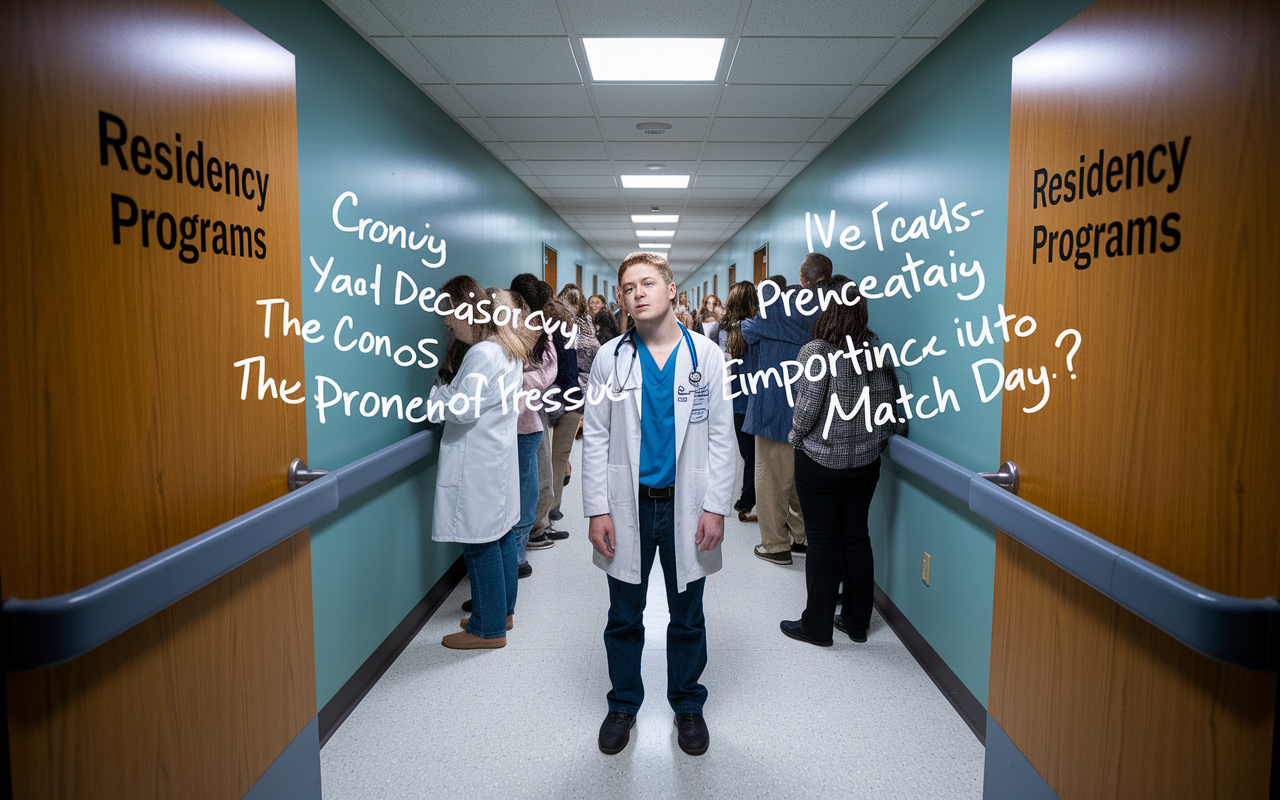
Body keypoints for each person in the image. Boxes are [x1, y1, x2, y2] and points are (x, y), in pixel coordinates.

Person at [583, 251, 735, 758]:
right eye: (628, 287)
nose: (637, 294)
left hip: (686, 505)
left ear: (673, 291)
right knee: (623, 614)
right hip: (628, 506)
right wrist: (596, 509)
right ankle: (623, 703)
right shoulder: (611, 357)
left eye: (647, 283)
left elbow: (720, 436)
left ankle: (687, 705)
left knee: (687, 613)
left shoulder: (706, 357)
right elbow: (598, 435)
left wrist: (715, 506)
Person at [781, 276, 907, 646]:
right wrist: (876, 442)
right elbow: (888, 409)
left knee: (821, 543)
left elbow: (805, 413)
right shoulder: (875, 349)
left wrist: (796, 439)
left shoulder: (816, 352)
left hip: (820, 462)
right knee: (856, 538)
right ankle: (855, 622)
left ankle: (817, 626)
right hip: (865, 465)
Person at [429, 280, 530, 649]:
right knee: (499, 534)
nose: (448, 326)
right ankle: (502, 612)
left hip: (477, 464)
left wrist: (437, 392)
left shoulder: (482, 354)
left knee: (479, 541)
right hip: (494, 458)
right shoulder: (505, 348)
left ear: (461, 309)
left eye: (448, 318)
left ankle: (487, 630)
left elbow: (461, 407)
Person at [740, 254, 834, 566]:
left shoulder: (773, 313)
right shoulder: (828, 310)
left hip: (772, 407)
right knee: (795, 478)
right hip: (810, 409)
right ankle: (801, 537)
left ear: (802, 278)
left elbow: (748, 329)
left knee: (769, 478)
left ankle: (774, 545)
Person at [509, 274, 565, 550]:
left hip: (530, 414)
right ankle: (526, 540)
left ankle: (529, 536)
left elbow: (546, 371)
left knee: (534, 479)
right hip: (515, 418)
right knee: (525, 483)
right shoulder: (508, 329)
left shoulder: (540, 330)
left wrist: (525, 380)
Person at [546, 284, 600, 525]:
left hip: (556, 396)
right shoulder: (580, 328)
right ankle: (552, 508)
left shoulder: (550, 327)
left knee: (552, 457)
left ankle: (549, 510)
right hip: (572, 394)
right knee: (558, 457)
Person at [721, 281, 759, 521]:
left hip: (736, 402)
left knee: (748, 456)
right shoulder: (757, 330)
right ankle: (748, 501)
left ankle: (746, 501)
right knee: (757, 457)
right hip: (756, 400)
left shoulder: (724, 330)